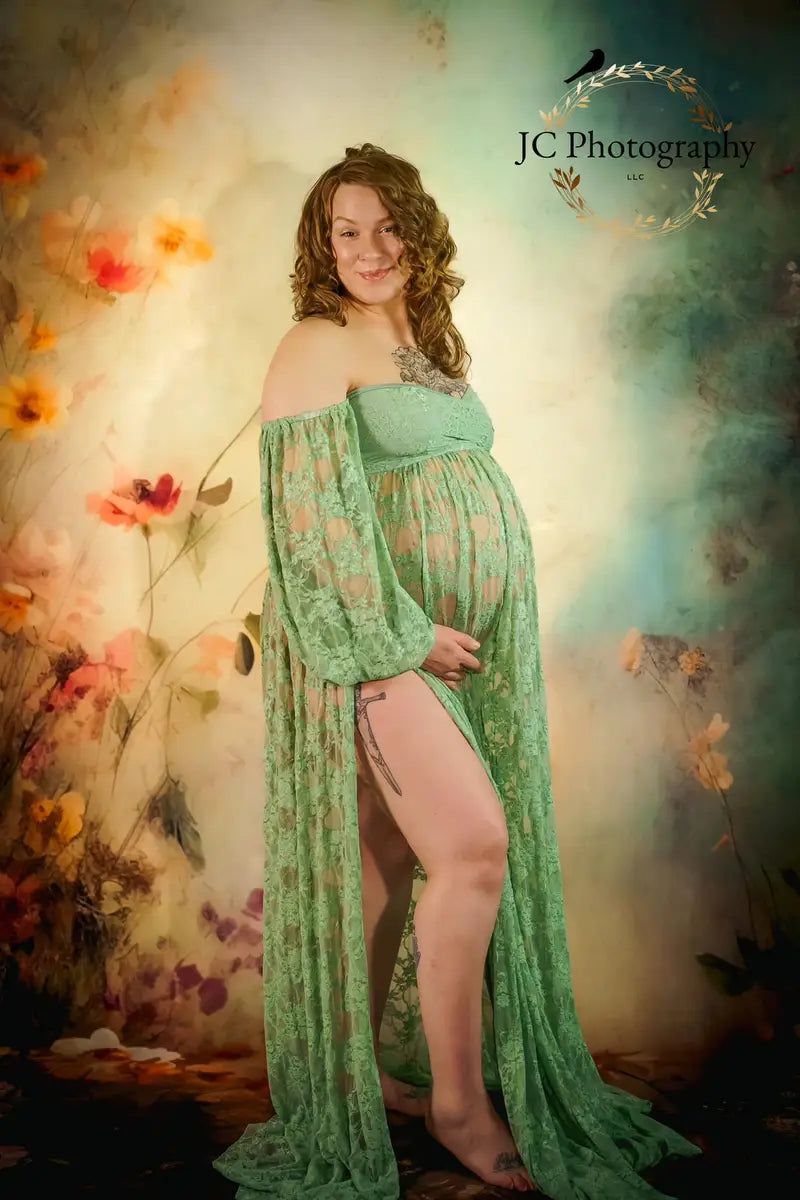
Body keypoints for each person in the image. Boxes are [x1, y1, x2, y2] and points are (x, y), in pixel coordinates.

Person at [213, 144, 701, 1199]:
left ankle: (355, 1079)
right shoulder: (315, 341)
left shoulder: (424, 343)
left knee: (389, 861)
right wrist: (402, 634)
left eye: (387, 226)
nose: (368, 249)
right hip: (375, 647)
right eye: (345, 231)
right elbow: (309, 527)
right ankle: (457, 1105)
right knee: (473, 848)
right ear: (321, 245)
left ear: (419, 233)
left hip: (448, 654)